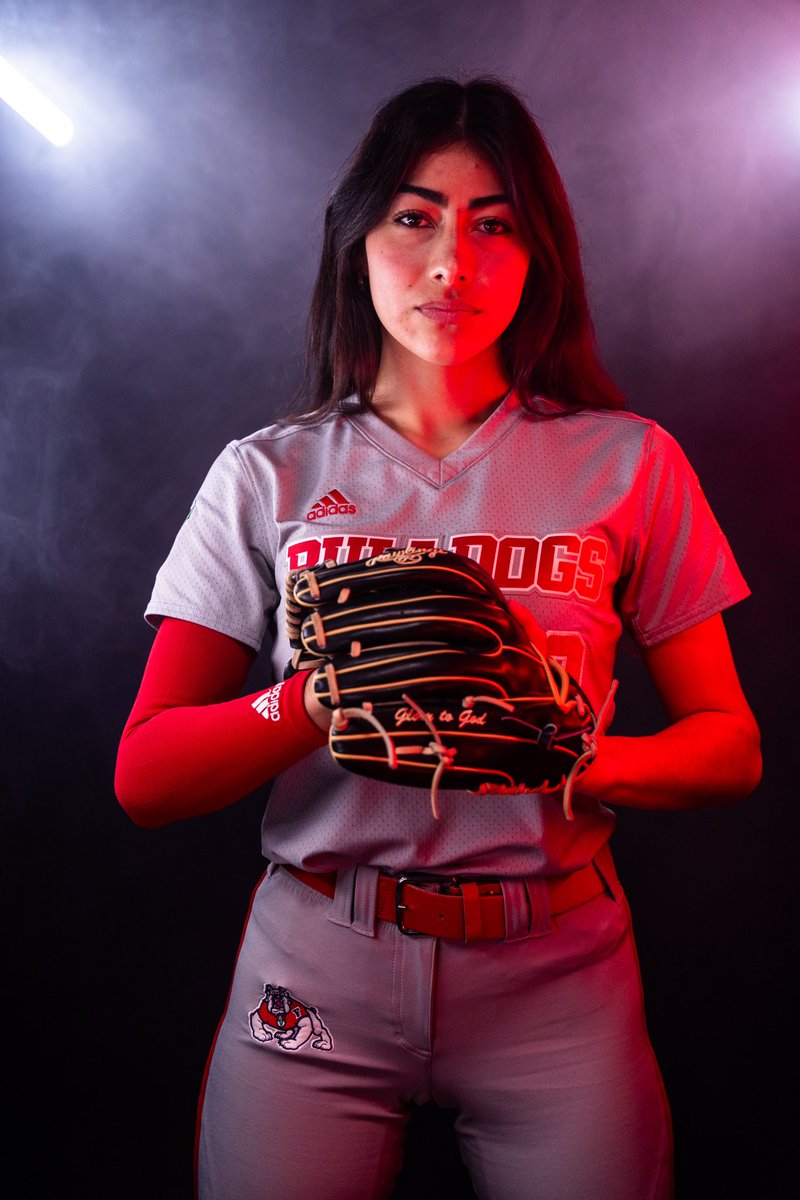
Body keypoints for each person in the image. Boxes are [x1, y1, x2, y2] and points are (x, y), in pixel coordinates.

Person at [115, 76, 761, 1200]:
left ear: (536, 251)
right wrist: (316, 699)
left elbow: (727, 746)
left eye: (493, 222)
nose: (451, 261)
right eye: (413, 216)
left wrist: (563, 758)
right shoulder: (267, 472)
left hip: (555, 970)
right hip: (318, 966)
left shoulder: (628, 461)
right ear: (356, 238)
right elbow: (146, 774)